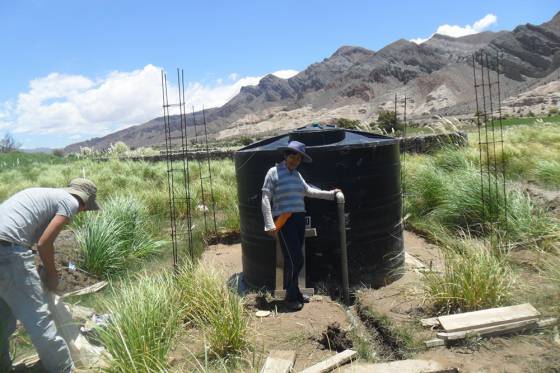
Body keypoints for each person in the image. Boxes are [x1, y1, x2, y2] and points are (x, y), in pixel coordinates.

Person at [0, 178, 100, 373]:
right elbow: (44, 244)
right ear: (84, 201)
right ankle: (64, 370)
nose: (81, 212)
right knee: (38, 319)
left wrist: (41, 270)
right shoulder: (69, 202)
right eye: (85, 209)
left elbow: (32, 239)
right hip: (8, 253)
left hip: (6, 248)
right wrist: (53, 276)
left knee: (3, 318)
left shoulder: (45, 195)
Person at [261, 141, 340, 311]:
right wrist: (269, 223)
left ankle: (295, 292)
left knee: (295, 258)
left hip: (298, 219)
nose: (295, 161)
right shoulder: (273, 172)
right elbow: (265, 198)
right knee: (294, 259)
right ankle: (290, 298)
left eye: (298, 159)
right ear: (285, 155)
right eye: (292, 156)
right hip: (285, 219)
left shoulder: (297, 175)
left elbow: (309, 191)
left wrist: (330, 194)